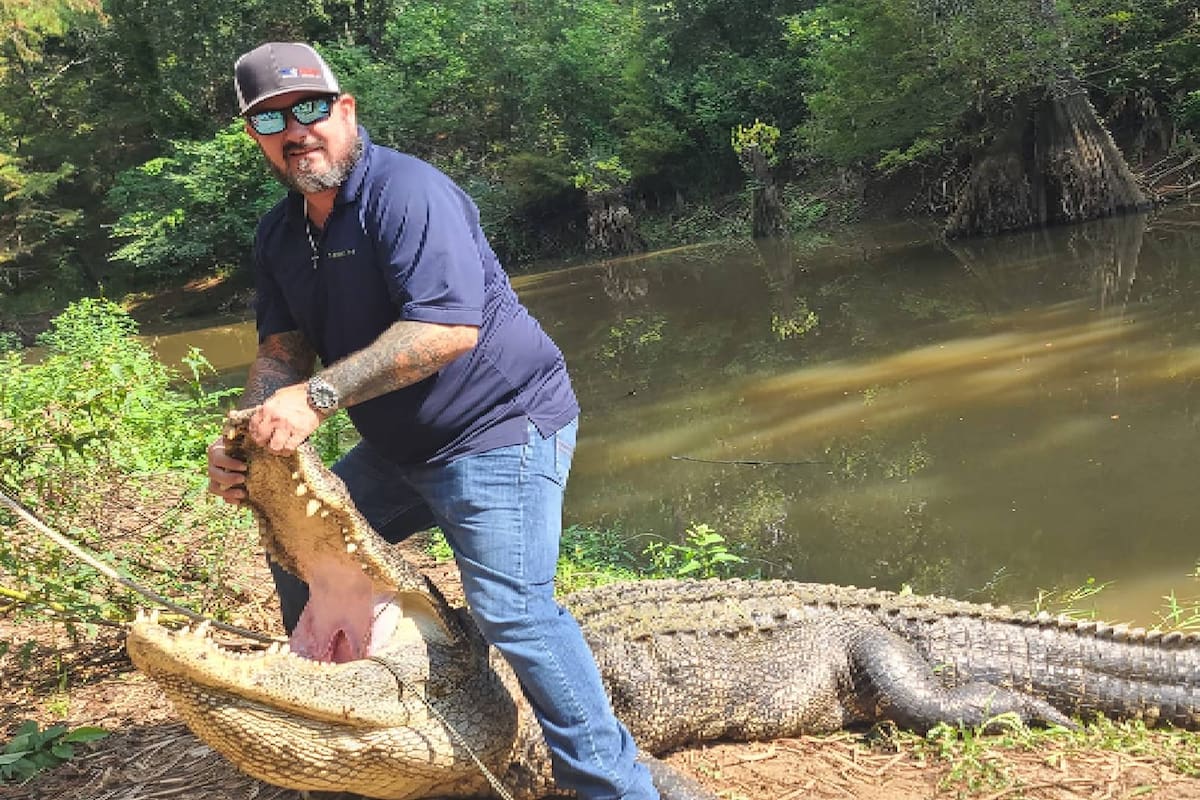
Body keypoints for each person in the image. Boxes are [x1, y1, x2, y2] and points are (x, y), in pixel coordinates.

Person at [206, 42, 659, 800]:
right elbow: (282, 349)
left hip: (497, 426)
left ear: (345, 111)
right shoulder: (279, 234)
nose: (297, 129)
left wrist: (315, 401)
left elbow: (447, 331)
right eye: (272, 118)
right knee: (305, 558)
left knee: (514, 613)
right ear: (255, 136)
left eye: (311, 108)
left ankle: (615, 787)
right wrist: (251, 438)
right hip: (397, 442)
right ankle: (346, 732)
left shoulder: (408, 192)